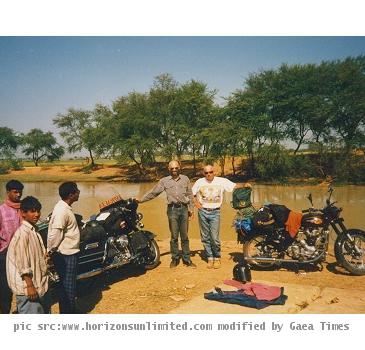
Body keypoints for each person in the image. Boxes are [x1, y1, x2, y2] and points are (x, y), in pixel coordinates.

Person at [138, 160, 196, 268]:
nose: (174, 170)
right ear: (169, 169)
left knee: (184, 236)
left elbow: (190, 195)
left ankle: (187, 259)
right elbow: (154, 193)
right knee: (174, 236)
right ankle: (174, 259)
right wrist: (140, 200)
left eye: (176, 168)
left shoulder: (185, 179)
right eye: (172, 168)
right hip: (172, 210)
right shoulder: (164, 181)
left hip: (184, 209)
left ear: (180, 167)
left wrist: (191, 209)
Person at [192, 165, 250, 269]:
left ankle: (217, 257)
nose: (209, 174)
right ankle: (210, 257)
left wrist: (244, 185)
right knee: (205, 236)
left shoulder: (221, 181)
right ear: (203, 173)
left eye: (210, 172)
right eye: (206, 173)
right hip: (202, 211)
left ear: (214, 172)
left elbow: (234, 186)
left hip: (215, 212)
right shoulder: (199, 182)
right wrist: (196, 203)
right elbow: (191, 193)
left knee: (214, 237)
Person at [6, 196, 50, 314]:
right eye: (32, 211)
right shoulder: (22, 234)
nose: (36, 214)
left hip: (37, 284)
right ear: (23, 213)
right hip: (28, 288)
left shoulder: (33, 231)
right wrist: (29, 286)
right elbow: (23, 264)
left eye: (38, 211)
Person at [47, 182, 80, 313]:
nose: (79, 193)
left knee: (67, 286)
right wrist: (50, 250)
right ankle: (68, 314)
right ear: (71, 194)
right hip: (67, 254)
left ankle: (67, 311)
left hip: (67, 253)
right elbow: (55, 234)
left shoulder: (64, 207)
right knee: (69, 287)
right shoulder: (62, 211)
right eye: (77, 191)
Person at [0, 179, 23, 313]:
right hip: (5, 253)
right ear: (8, 192)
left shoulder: (25, 209)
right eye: (15, 192)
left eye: (20, 192)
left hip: (21, 252)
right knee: (5, 288)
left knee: (22, 284)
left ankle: (22, 310)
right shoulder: (1, 210)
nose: (18, 195)